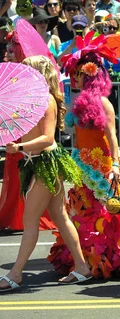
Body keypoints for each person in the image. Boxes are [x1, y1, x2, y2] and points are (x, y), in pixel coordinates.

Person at [49, 33, 120, 280]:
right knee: (84, 212)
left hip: (101, 165)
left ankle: (110, 257)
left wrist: (116, 163)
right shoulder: (78, 102)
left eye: (79, 73)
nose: (75, 77)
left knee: (104, 213)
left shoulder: (104, 103)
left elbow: (113, 136)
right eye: (74, 73)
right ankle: (86, 257)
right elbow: (70, 133)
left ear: (90, 75)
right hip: (82, 164)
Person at [0, 56, 90, 292]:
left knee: (30, 221)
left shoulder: (46, 100)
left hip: (45, 163)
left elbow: (48, 138)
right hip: (34, 162)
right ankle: (82, 267)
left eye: (27, 71)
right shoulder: (30, 101)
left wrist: (19, 147)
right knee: (60, 217)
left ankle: (16, 273)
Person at [0, 29, 56, 233]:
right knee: (15, 174)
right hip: (13, 130)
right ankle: (17, 214)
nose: (8, 51)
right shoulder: (9, 75)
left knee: (30, 177)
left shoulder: (34, 82)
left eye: (12, 47)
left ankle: (32, 215)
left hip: (29, 134)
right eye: (7, 47)